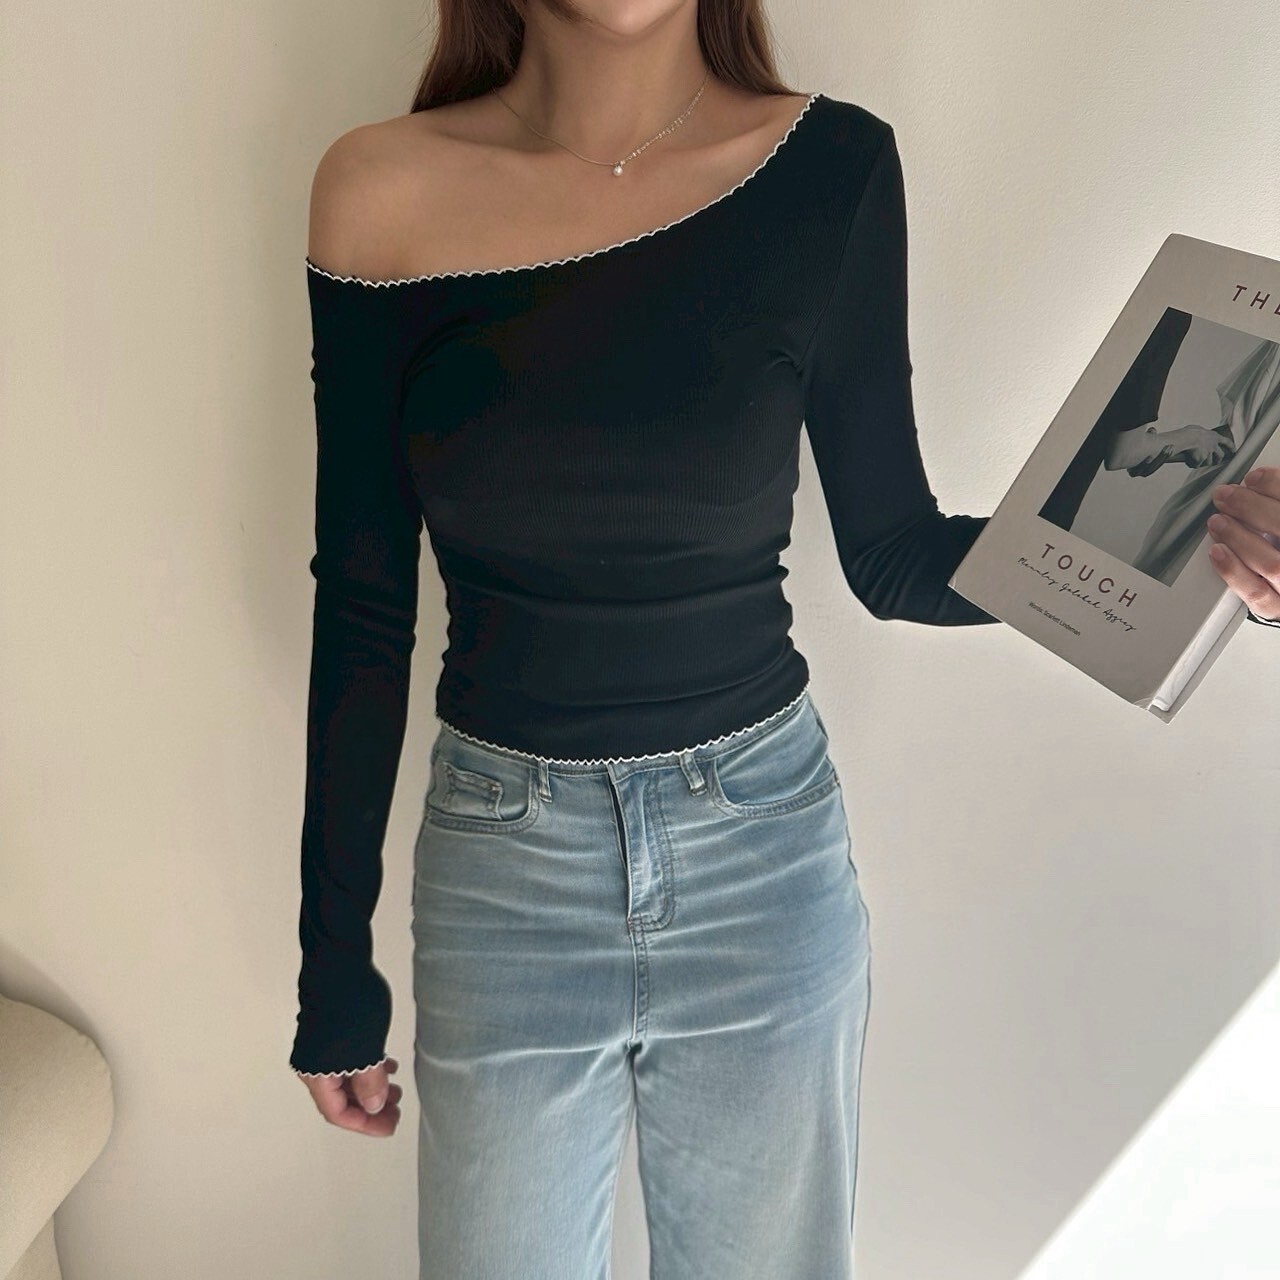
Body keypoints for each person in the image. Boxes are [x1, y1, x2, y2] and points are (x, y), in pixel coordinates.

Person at [288, 1, 1280, 1275]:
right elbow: (363, 599)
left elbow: (896, 553)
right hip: (502, 869)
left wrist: (1197, 559)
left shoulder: (830, 169)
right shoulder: (379, 188)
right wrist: (333, 964)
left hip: (759, 859)